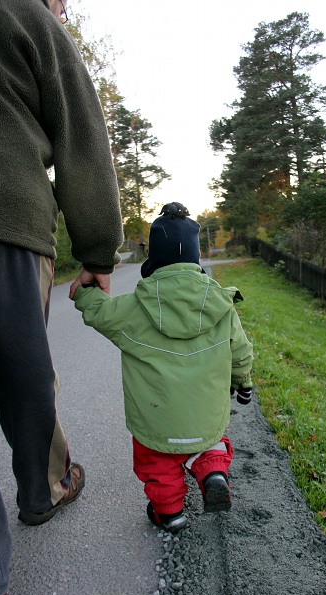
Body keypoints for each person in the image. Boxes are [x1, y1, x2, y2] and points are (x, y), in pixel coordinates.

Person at [0, 0, 123, 595]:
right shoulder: (30, 18)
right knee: (22, 368)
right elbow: (82, 136)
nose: (66, 7)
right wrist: (98, 250)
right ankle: (44, 487)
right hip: (8, 224)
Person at [72, 202, 253, 534]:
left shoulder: (133, 309)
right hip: (206, 415)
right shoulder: (221, 306)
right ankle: (212, 471)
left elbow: (99, 312)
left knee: (158, 462)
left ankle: (170, 513)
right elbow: (240, 351)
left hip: (155, 420)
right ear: (196, 258)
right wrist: (243, 381)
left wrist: (84, 292)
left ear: (152, 259)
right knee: (210, 442)